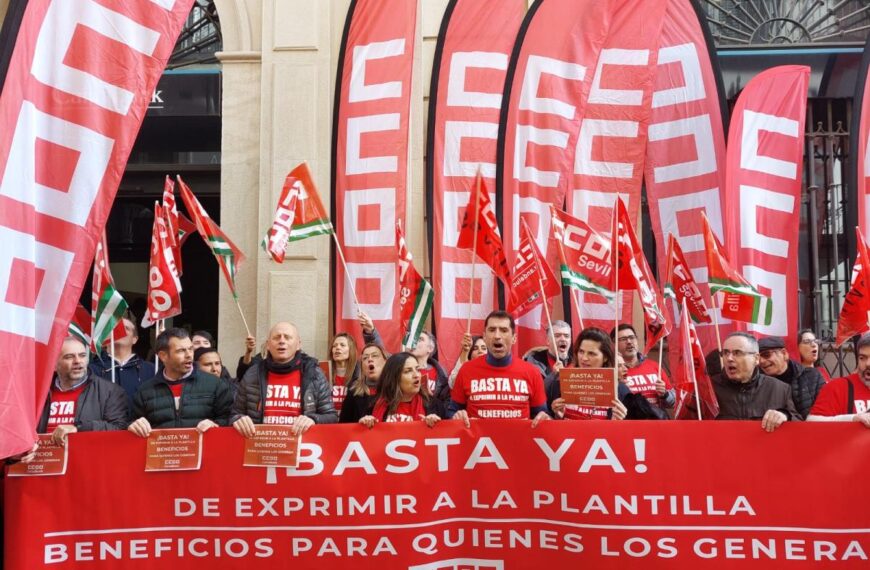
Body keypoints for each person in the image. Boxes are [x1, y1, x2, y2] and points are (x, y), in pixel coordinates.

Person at [231, 322, 337, 437]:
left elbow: (331, 416)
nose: (281, 341)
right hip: (262, 449)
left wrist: (313, 419)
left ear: (298, 344)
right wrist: (238, 419)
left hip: (302, 449)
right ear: (268, 345)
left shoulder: (314, 375)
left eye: (287, 337)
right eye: (276, 337)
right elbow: (234, 415)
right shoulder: (252, 374)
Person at [448, 311, 550, 426]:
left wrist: (545, 418)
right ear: (485, 337)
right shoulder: (466, 370)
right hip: (478, 443)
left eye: (504, 330)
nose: (497, 336)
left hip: (518, 442)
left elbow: (541, 414)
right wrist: (456, 416)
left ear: (514, 338)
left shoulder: (532, 372)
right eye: (492, 330)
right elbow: (452, 411)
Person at [128, 328, 233, 437]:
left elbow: (229, 419)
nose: (189, 355)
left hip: (204, 451)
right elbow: (131, 423)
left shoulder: (215, 385)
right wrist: (133, 425)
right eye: (181, 351)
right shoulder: (144, 391)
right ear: (163, 356)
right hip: (162, 452)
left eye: (190, 349)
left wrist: (215, 425)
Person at [39, 336, 128, 445]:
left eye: (82, 355)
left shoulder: (110, 391)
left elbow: (119, 429)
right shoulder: (38, 393)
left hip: (87, 459)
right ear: (54, 366)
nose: (77, 361)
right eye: (69, 357)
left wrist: (79, 428)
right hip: (46, 459)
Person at [710, 332, 800, 431]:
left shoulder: (779, 389)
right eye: (725, 353)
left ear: (756, 359)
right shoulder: (709, 389)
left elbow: (799, 426)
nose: (729, 358)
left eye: (737, 353)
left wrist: (785, 416)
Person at [547, 328, 628, 421]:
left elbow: (634, 430)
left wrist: (619, 423)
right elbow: (548, 422)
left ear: (605, 357)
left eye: (591, 353)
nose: (584, 358)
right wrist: (556, 416)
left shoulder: (620, 390)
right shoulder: (559, 383)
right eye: (581, 352)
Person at [359, 352, 443, 426]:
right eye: (408, 371)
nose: (416, 375)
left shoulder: (433, 405)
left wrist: (436, 426)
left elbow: (447, 437)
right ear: (394, 378)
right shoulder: (372, 404)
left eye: (417, 369)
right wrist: (364, 426)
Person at [806, 333, 870, 427]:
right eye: (862, 358)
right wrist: (852, 419)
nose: (868, 363)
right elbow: (811, 423)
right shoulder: (838, 387)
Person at [89, 316, 155, 403]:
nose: (119, 331)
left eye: (126, 328)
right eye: (114, 328)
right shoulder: (91, 370)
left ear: (134, 339)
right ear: (104, 338)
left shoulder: (150, 370)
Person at [757, 336, 824, 419]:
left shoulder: (812, 376)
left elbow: (824, 410)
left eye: (766, 355)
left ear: (784, 354)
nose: (761, 361)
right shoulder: (756, 383)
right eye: (757, 358)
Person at [612, 324, 674, 412]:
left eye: (632, 337)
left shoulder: (654, 366)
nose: (629, 342)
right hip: (628, 424)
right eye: (623, 339)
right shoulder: (612, 372)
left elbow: (673, 403)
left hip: (656, 423)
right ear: (614, 344)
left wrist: (665, 394)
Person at [340, 343, 387, 423]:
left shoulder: (395, 390)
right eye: (365, 358)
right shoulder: (353, 392)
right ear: (362, 366)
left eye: (375, 356)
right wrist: (359, 425)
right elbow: (343, 426)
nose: (370, 359)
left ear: (385, 361)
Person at [410, 330, 449, 402]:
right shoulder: (400, 369)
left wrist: (431, 398)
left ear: (430, 348)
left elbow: (444, 403)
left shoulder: (441, 374)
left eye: (420, 339)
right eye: (413, 339)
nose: (414, 342)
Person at [329, 332, 359, 413]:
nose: (337, 348)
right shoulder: (323, 372)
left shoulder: (360, 374)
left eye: (342, 345)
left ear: (351, 350)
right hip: (328, 421)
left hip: (350, 421)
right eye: (334, 346)